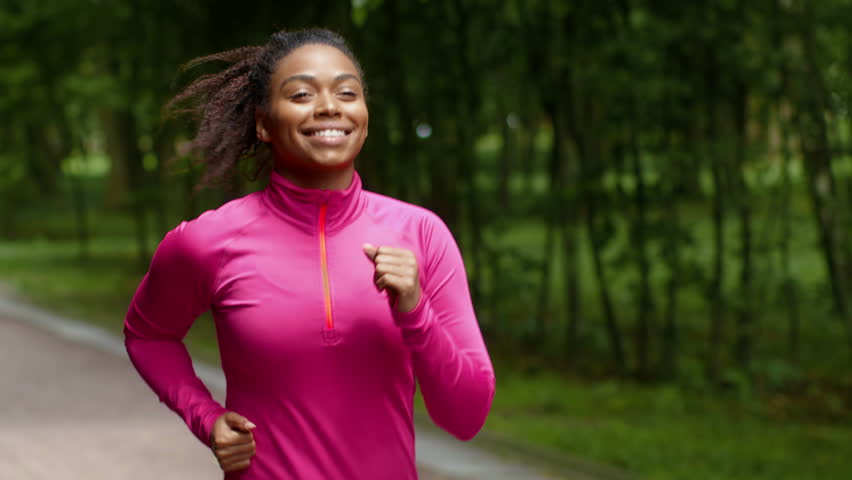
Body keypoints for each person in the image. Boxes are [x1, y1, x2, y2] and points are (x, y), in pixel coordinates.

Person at [123, 28, 495, 479]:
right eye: (301, 93)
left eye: (346, 92)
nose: (328, 107)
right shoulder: (209, 241)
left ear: (363, 113)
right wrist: (207, 417)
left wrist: (416, 311)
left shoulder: (421, 234)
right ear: (263, 122)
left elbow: (466, 416)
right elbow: (148, 334)